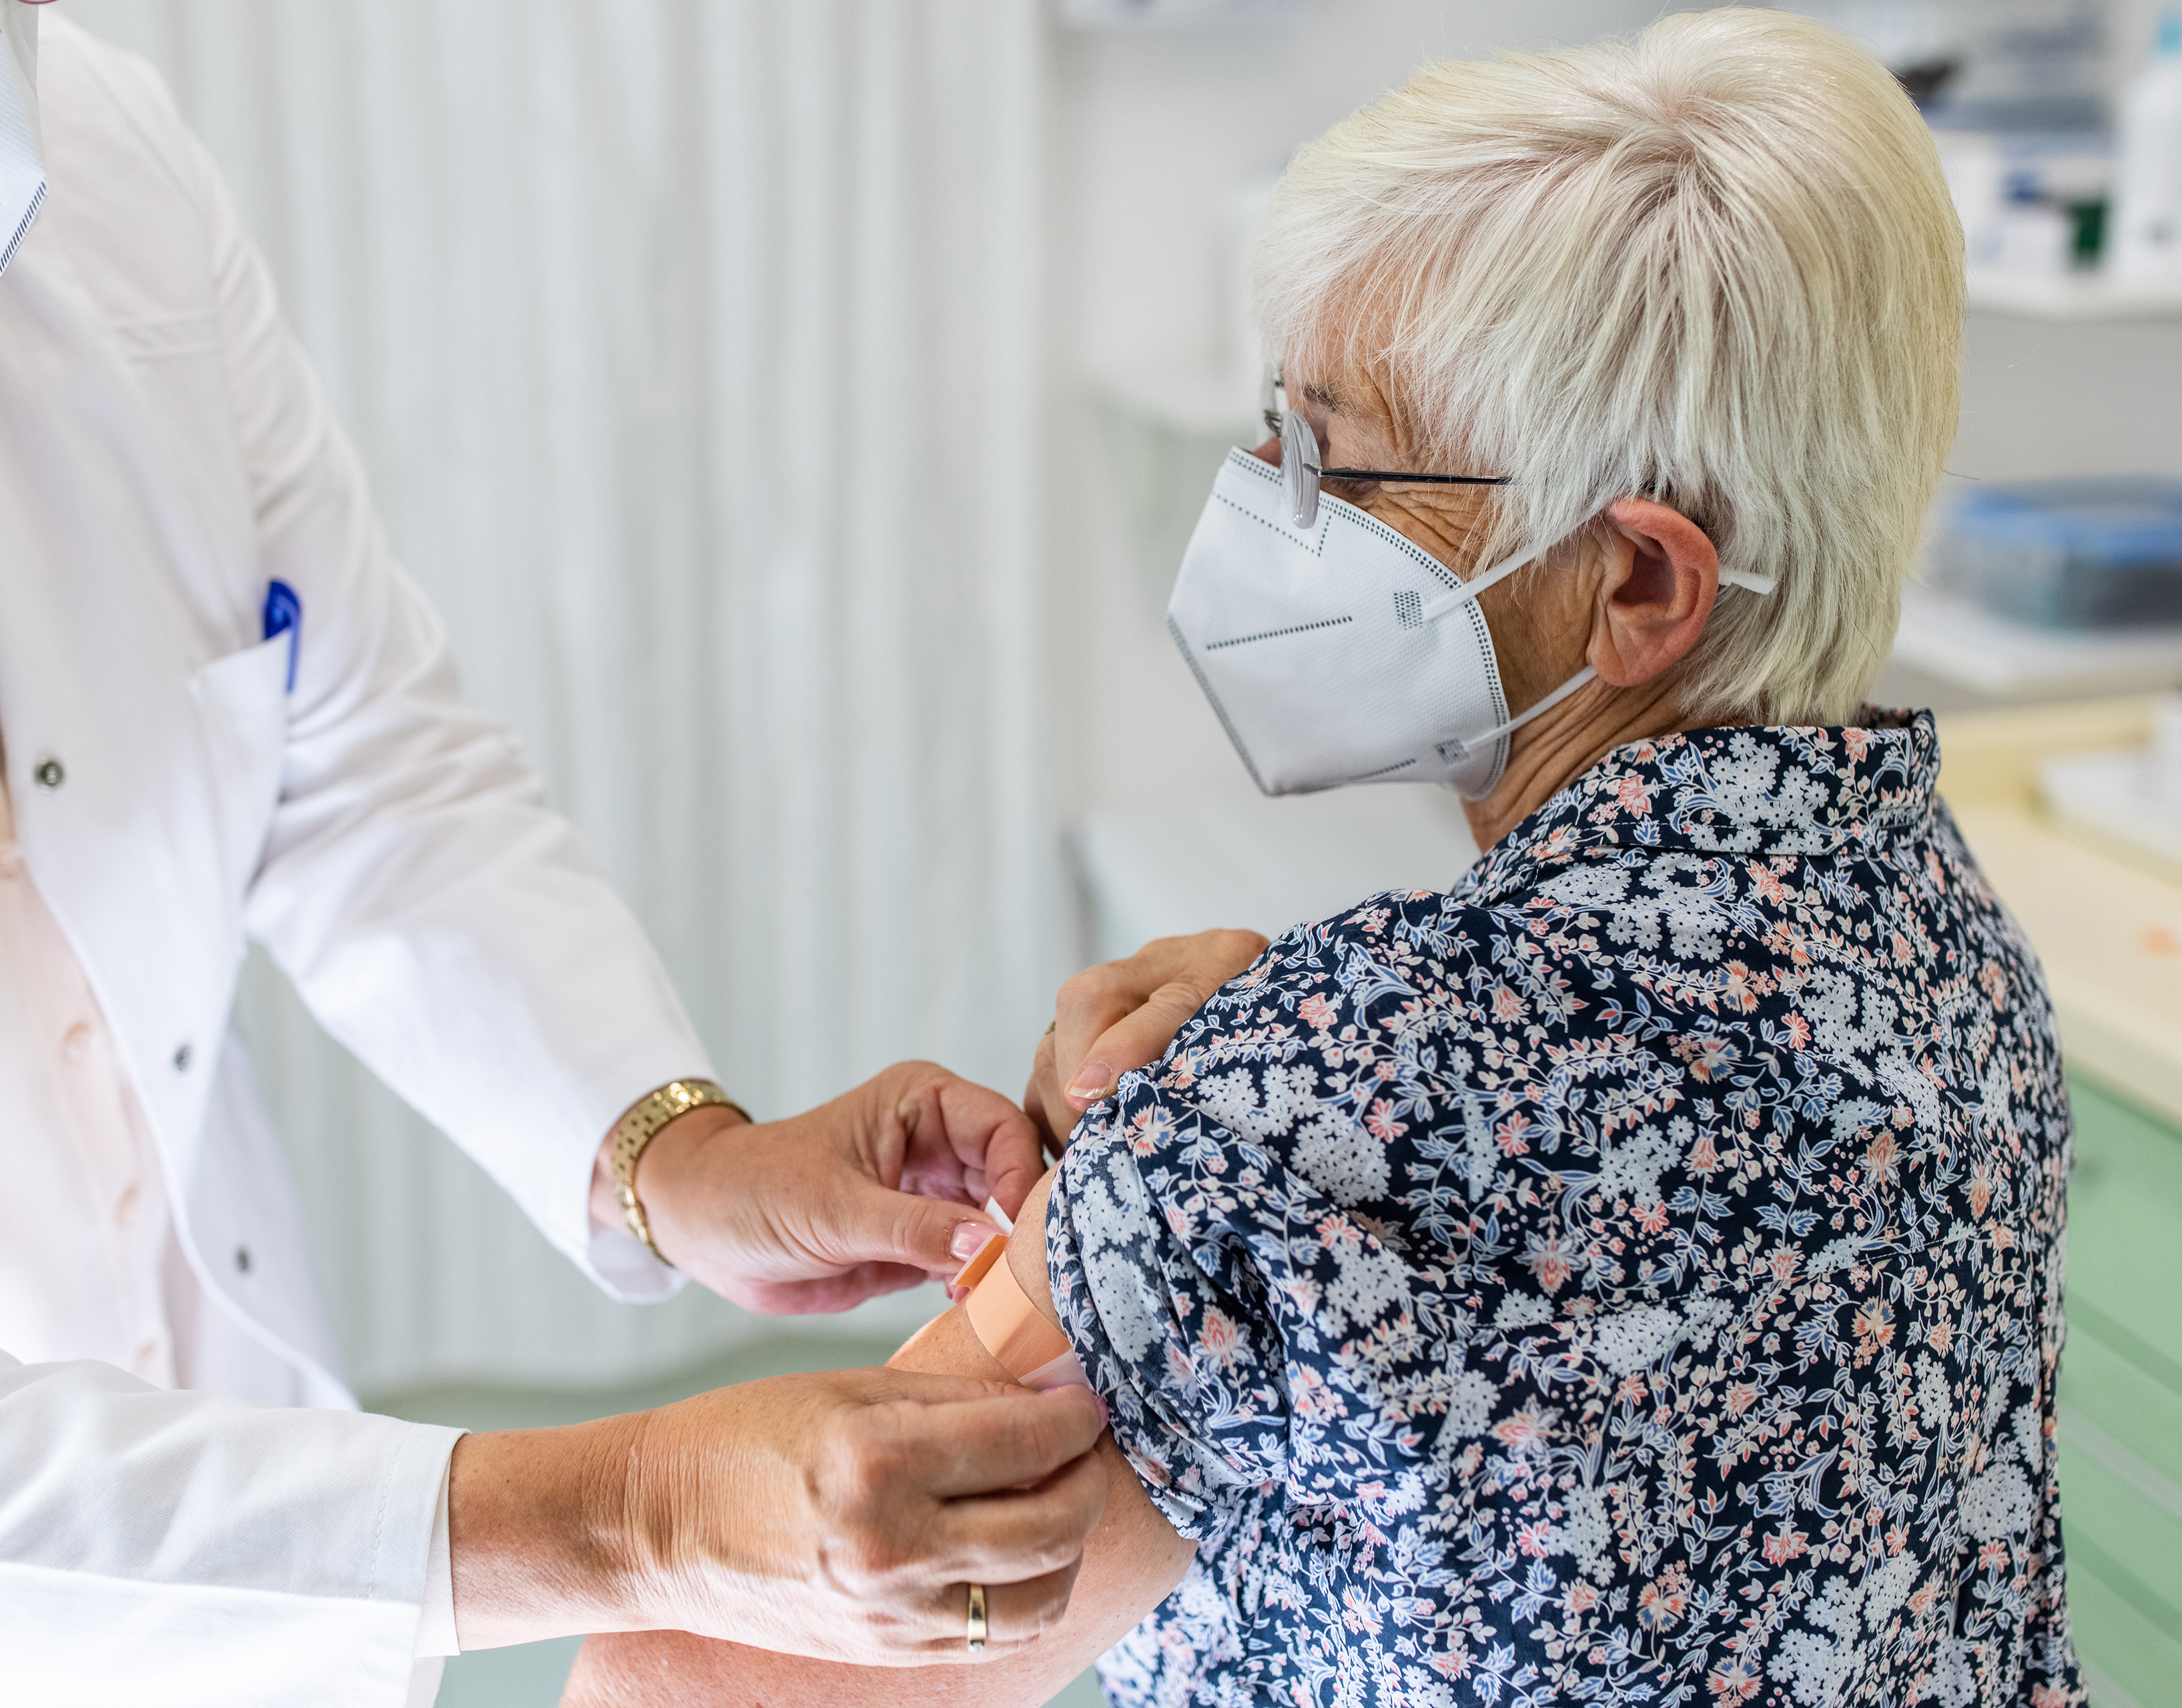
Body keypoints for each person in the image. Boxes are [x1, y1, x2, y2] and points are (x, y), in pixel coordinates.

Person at [0, 3, 1236, 1702]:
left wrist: (665, 1152)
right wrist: (637, 1510)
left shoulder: (80, 169)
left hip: (235, 1494)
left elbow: (354, 747)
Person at [565, 11, 2085, 1707]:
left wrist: (1230, 1111)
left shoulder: (1308, 1105)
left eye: (1332, 458)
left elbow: (685, 1666)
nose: (1265, 506)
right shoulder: (1945, 940)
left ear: (1640, 586)